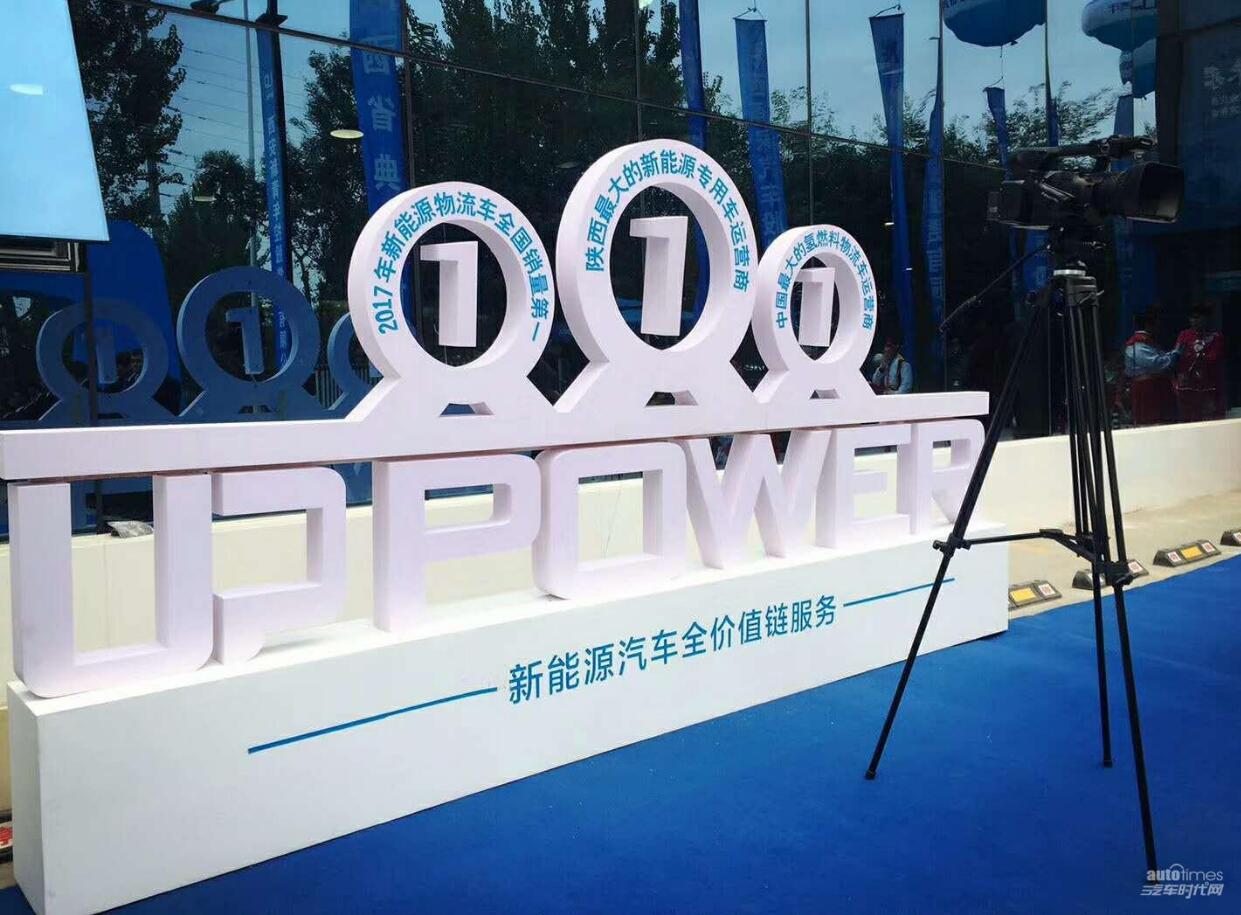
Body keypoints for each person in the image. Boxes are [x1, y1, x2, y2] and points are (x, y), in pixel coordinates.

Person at [1122, 310, 1178, 426]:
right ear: (1149, 324)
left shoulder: (1147, 342)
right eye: (1157, 322)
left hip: (1154, 388)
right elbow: (1157, 364)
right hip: (1148, 389)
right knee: (1151, 423)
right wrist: (1175, 355)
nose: (1159, 326)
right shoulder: (1138, 344)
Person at [1173, 302, 1226, 422]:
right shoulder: (1184, 335)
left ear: (1206, 318)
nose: (1194, 321)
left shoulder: (1215, 337)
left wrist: (1198, 358)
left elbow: (1214, 358)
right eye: (1192, 318)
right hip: (1188, 387)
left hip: (1209, 386)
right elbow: (1177, 355)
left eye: (1198, 317)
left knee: (1210, 419)